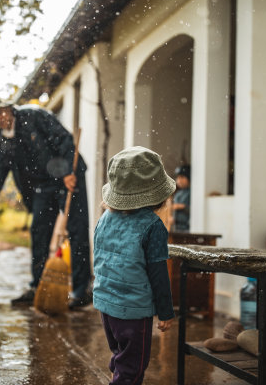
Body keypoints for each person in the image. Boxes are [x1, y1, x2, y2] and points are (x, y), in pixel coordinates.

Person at [0, 95, 92, 309]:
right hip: (42, 185)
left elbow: (63, 140)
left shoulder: (34, 116)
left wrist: (68, 172)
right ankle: (38, 286)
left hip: (67, 177)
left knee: (77, 229)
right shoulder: (3, 140)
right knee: (39, 232)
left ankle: (82, 290)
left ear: (8, 108)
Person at [92, 146, 176, 384]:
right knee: (132, 370)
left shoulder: (104, 219)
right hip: (133, 310)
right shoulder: (153, 226)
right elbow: (158, 273)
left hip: (106, 305)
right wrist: (166, 311)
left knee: (120, 355)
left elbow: (100, 260)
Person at [172, 164, 191, 232]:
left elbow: (197, 211)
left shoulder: (193, 193)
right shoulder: (178, 194)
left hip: (188, 227)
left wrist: (182, 207)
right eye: (178, 177)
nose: (179, 180)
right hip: (177, 227)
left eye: (182, 177)